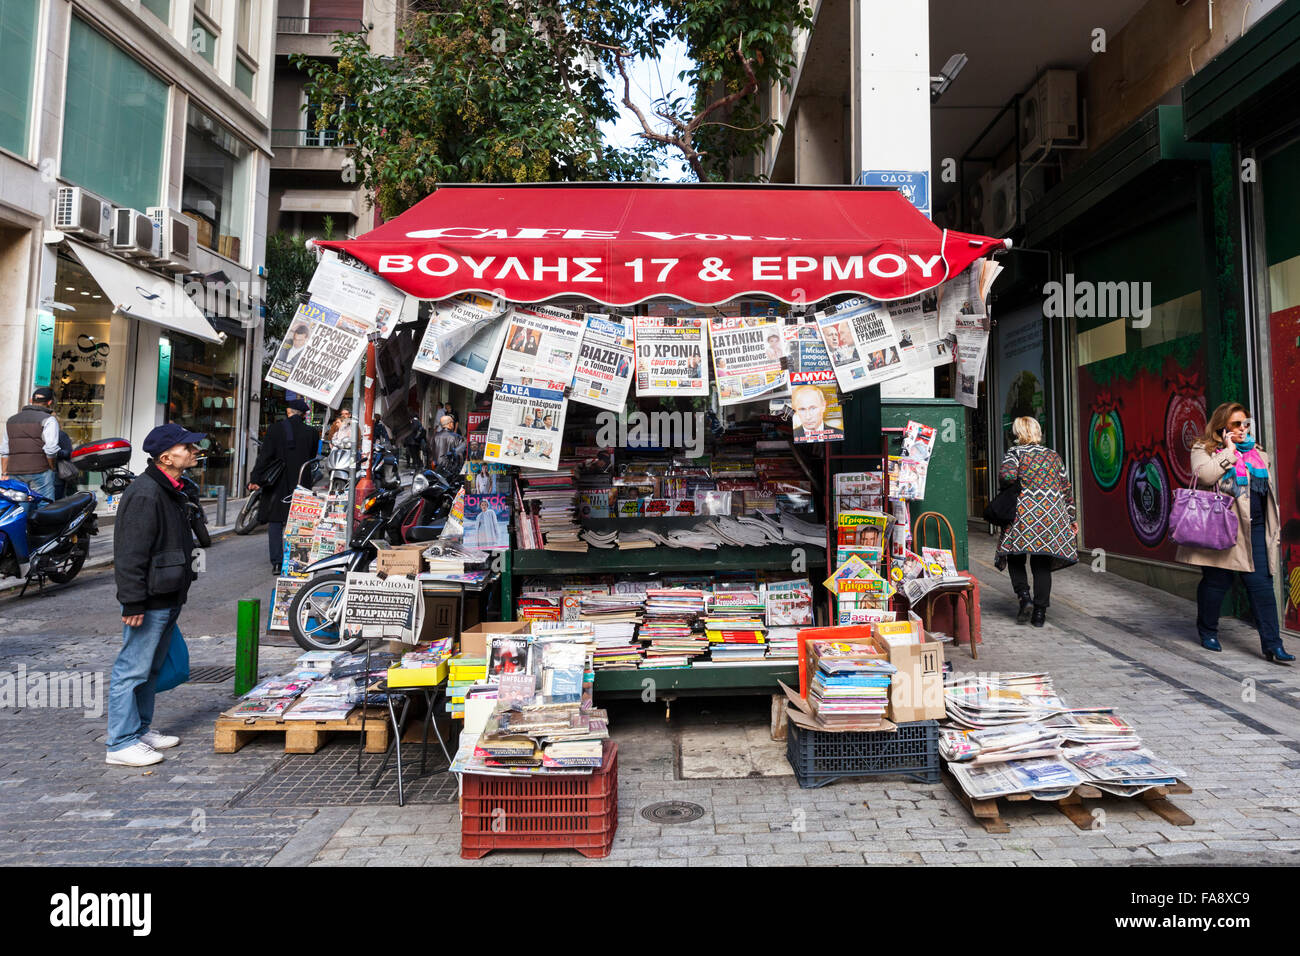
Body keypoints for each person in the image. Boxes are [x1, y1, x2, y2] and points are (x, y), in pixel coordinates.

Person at [106, 424, 210, 767]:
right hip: (149, 597)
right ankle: (119, 742)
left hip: (167, 593)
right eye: (188, 447)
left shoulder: (173, 489)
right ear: (166, 457)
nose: (195, 451)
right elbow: (130, 552)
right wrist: (133, 599)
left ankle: (139, 730)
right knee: (132, 669)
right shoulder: (146, 492)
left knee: (150, 668)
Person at [1177, 403, 1294, 663]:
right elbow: (1205, 476)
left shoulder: (1257, 452)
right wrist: (1228, 453)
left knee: (1262, 586)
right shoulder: (1204, 448)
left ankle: (1273, 645)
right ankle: (1207, 630)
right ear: (1222, 427)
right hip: (1223, 527)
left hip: (1256, 529)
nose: (1243, 429)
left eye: (1246, 424)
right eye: (1237, 424)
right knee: (1217, 583)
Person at [994, 416, 1077, 627]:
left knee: (1015, 556)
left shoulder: (1015, 453)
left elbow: (1007, 476)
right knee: (1041, 563)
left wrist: (1020, 479)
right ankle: (1039, 614)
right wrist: (1072, 518)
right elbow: (1066, 488)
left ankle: (1024, 598)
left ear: (1018, 433)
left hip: (1024, 514)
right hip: (1052, 515)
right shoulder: (1053, 456)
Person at [249, 398, 321, 574]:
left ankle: (277, 562)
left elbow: (264, 456)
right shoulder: (311, 432)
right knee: (299, 519)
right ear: (303, 414)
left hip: (277, 481)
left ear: (288, 412)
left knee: (275, 521)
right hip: (301, 479)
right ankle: (297, 559)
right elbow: (312, 455)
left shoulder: (275, 429)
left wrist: (255, 478)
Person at [1, 386, 60, 502]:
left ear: (31, 400)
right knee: (45, 507)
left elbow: (4, 450)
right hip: (40, 470)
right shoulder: (48, 420)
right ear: (49, 402)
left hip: (15, 472)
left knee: (20, 508)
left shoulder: (12, 420)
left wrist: (4, 473)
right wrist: (52, 467)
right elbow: (51, 449)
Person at [53, 420, 74, 500]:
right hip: (44, 474)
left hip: (57, 473)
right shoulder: (40, 434)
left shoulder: (61, 435)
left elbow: (68, 453)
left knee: (57, 500)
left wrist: (55, 452)